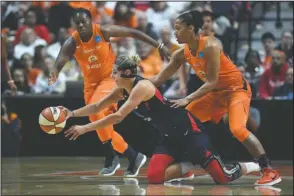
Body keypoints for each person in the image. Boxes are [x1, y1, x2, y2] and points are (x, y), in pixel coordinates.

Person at [61, 55, 260, 184]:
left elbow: (119, 116)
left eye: (115, 71)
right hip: (169, 137)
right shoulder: (122, 89)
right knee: (154, 177)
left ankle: (253, 166)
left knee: (222, 178)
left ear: (127, 73)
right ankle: (190, 167)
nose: (112, 74)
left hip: (188, 131)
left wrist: (84, 128)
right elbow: (97, 107)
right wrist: (71, 113)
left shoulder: (142, 87)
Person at [150, 10, 281, 186]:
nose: (175, 33)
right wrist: (129, 82)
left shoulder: (210, 45)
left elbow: (211, 81)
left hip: (236, 90)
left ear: (191, 28)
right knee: (182, 122)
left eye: (178, 28)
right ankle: (184, 167)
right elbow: (158, 79)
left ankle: (269, 170)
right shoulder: (181, 53)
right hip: (215, 94)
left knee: (238, 129)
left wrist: (187, 99)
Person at [48, 8, 170, 176]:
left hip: (109, 80)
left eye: (84, 21)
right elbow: (61, 58)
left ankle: (110, 157)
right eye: (78, 23)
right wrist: (55, 71)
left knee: (96, 112)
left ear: (91, 21)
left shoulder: (103, 31)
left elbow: (133, 33)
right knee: (99, 122)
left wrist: (159, 45)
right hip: (90, 85)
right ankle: (133, 155)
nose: (81, 25)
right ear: (73, 24)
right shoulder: (72, 42)